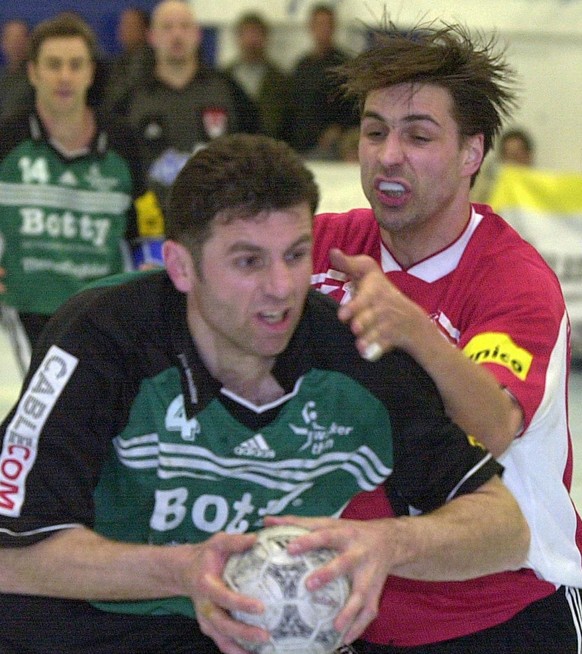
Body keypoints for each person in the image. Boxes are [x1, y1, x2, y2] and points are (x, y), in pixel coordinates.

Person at [0, 133, 529, 654]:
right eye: (249, 262)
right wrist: (183, 571)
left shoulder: (355, 357)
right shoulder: (99, 337)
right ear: (182, 267)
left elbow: (505, 526)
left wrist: (390, 543)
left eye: (296, 255)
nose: (281, 287)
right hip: (81, 630)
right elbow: (10, 555)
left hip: (259, 637)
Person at [311, 20, 582, 653]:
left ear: (471, 154)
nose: (388, 154)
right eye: (374, 132)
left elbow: (491, 423)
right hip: (354, 613)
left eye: (418, 135)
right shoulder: (324, 245)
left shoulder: (514, 280)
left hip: (500, 614)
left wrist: (412, 329)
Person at [0, 14, 145, 376]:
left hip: (99, 313)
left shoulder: (123, 142)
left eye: (75, 64)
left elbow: (145, 227)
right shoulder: (7, 138)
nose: (64, 76)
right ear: (33, 72)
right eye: (53, 65)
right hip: (19, 311)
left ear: (90, 72)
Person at [115, 0, 259, 218]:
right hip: (152, 225)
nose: (177, 35)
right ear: (152, 36)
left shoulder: (228, 89)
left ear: (198, 35)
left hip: (218, 220)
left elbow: (257, 152)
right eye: (167, 27)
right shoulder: (131, 98)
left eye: (184, 26)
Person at [282, 3, 358, 158]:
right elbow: (292, 108)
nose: (323, 29)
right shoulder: (301, 66)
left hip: (331, 147)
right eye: (319, 24)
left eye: (327, 24)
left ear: (334, 27)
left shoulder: (345, 66)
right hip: (299, 145)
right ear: (310, 27)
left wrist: (338, 129)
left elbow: (355, 107)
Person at [225, 12, 290, 139]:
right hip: (232, 147)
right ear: (238, 38)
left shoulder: (280, 79)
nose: (252, 40)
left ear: (266, 38)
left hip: (270, 147)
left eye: (256, 34)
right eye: (247, 34)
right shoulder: (225, 77)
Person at [472, 126, 536, 202]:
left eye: (516, 156)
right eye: (508, 157)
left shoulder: (536, 189)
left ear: (528, 157)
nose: (511, 163)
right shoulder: (489, 187)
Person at [0, 18, 33, 120]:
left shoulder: (37, 77)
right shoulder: (2, 77)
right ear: (3, 43)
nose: (15, 45)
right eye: (11, 40)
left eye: (20, 39)